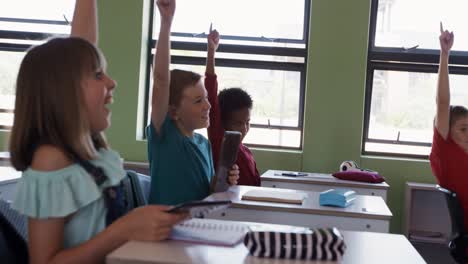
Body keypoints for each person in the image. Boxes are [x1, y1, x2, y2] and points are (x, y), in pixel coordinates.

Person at [9, 1, 186, 263]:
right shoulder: (51, 160)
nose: (112, 82)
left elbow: (83, 45)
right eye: (98, 74)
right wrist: (124, 229)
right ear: (65, 91)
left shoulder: (89, 147)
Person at [147, 0, 239, 205]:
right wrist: (166, 22)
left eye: (206, 98)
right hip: (165, 229)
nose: (208, 106)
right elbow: (161, 80)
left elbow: (208, 192)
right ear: (173, 111)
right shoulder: (164, 134)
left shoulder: (204, 144)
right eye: (198, 101)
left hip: (196, 225)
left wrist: (224, 181)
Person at [205, 26, 260, 186]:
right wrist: (211, 53)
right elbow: (210, 90)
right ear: (222, 122)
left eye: (247, 122)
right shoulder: (219, 141)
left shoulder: (247, 152)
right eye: (238, 123)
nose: (244, 128)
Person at [430, 23, 468, 231]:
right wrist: (445, 55)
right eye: (463, 129)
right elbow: (443, 103)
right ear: (448, 133)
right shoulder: (445, 151)